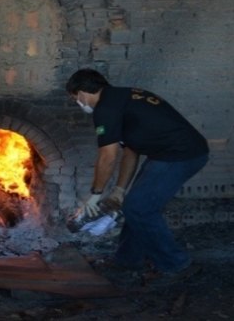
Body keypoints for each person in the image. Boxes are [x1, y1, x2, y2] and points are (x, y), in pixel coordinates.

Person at [66, 68, 209, 282]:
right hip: (168, 153)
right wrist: (119, 191)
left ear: (83, 93)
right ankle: (127, 260)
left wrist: (95, 194)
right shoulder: (122, 98)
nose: (78, 102)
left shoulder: (105, 108)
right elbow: (130, 151)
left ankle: (176, 265)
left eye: (75, 97)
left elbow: (107, 156)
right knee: (133, 204)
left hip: (181, 155)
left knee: (140, 208)